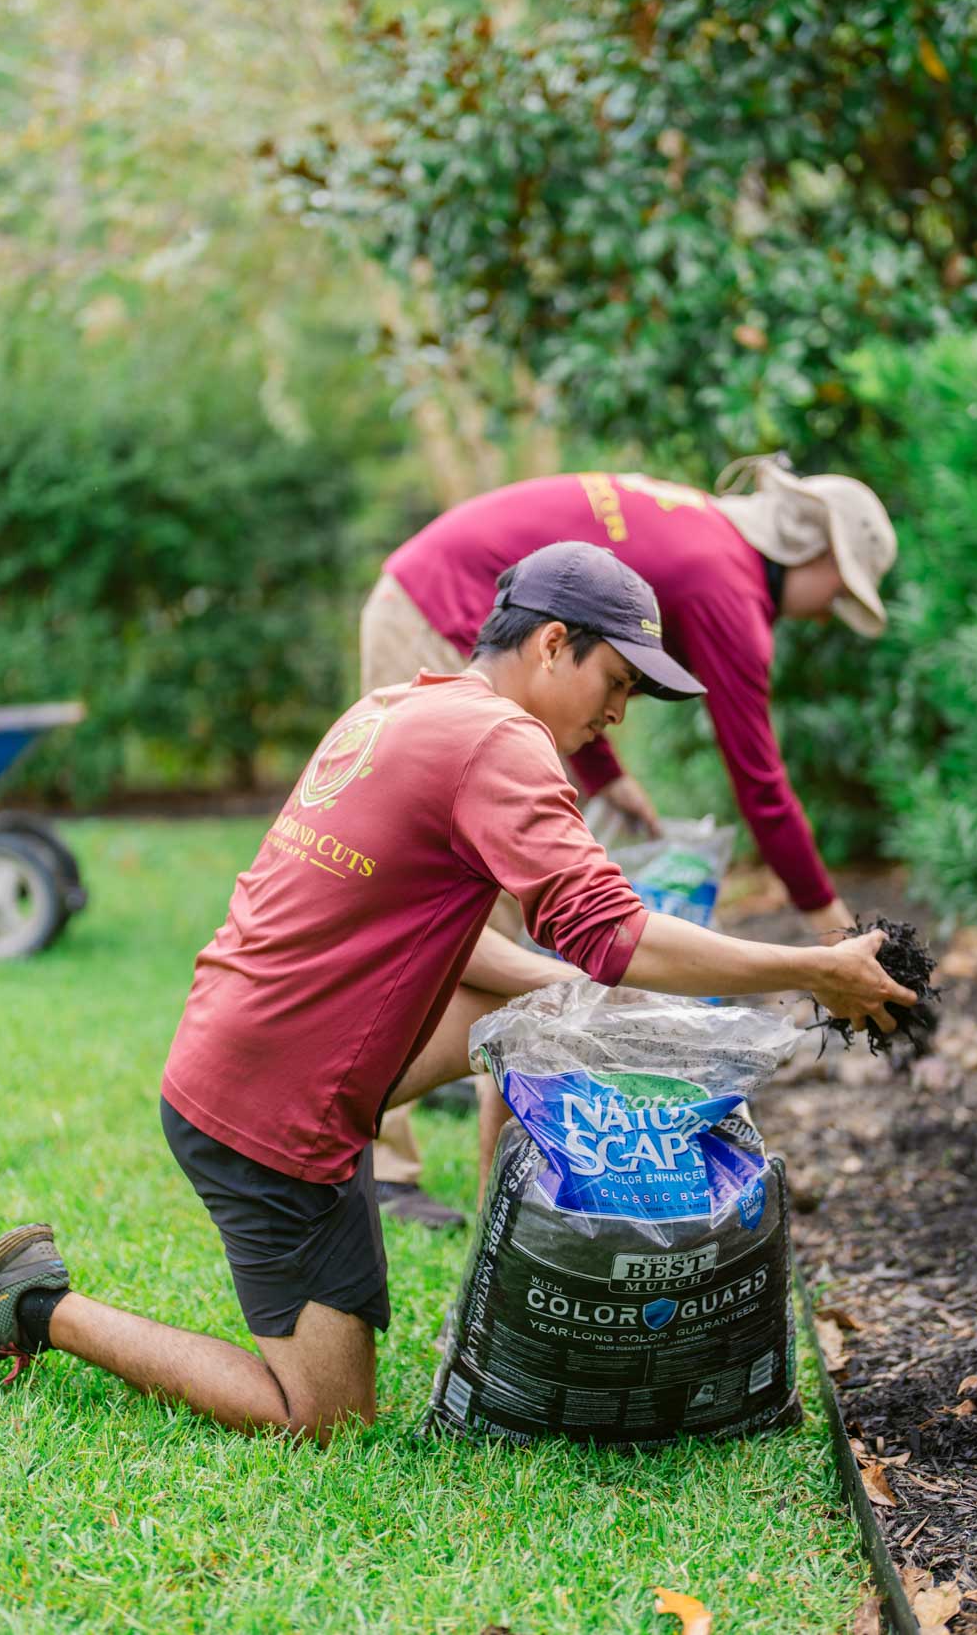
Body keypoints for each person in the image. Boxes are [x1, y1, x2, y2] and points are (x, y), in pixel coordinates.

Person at [0, 543, 915, 1446]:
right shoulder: (503, 746)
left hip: (243, 1044)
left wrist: (583, 995)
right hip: (269, 1112)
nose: (617, 715)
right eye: (616, 684)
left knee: (543, 1018)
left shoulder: (400, 707)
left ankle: (512, 1270)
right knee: (326, 1417)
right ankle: (34, 1306)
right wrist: (812, 967)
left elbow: (464, 946)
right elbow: (611, 933)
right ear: (552, 643)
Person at [369, 453, 898, 1221]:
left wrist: (606, 772)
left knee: (501, 921)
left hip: (435, 596)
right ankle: (391, 1160)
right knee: (456, 901)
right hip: (434, 608)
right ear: (810, 553)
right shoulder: (730, 587)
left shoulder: (701, 535)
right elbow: (759, 782)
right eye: (835, 593)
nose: (822, 613)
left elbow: (579, 653)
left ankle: (497, 1158)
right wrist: (831, 937)